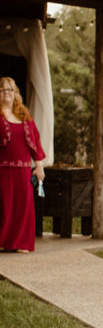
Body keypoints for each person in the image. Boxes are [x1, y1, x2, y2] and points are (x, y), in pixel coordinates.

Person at [0, 76, 46, 253]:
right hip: (3, 170)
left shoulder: (25, 116)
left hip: (23, 171)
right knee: (5, 206)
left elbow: (36, 142)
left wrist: (39, 166)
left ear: (15, 93)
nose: (6, 93)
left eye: (9, 89)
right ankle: (3, 241)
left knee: (23, 207)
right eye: (2, 90)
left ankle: (21, 243)